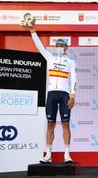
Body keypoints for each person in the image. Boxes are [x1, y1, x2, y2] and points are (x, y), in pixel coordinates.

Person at [27, 26, 77, 163]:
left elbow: (74, 79)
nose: (59, 47)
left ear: (66, 48)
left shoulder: (71, 62)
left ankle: (67, 154)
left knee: (66, 124)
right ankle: (48, 154)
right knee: (50, 124)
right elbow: (39, 46)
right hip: (51, 95)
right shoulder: (49, 58)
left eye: (62, 46)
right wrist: (33, 31)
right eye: (58, 45)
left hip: (65, 94)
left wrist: (73, 96)